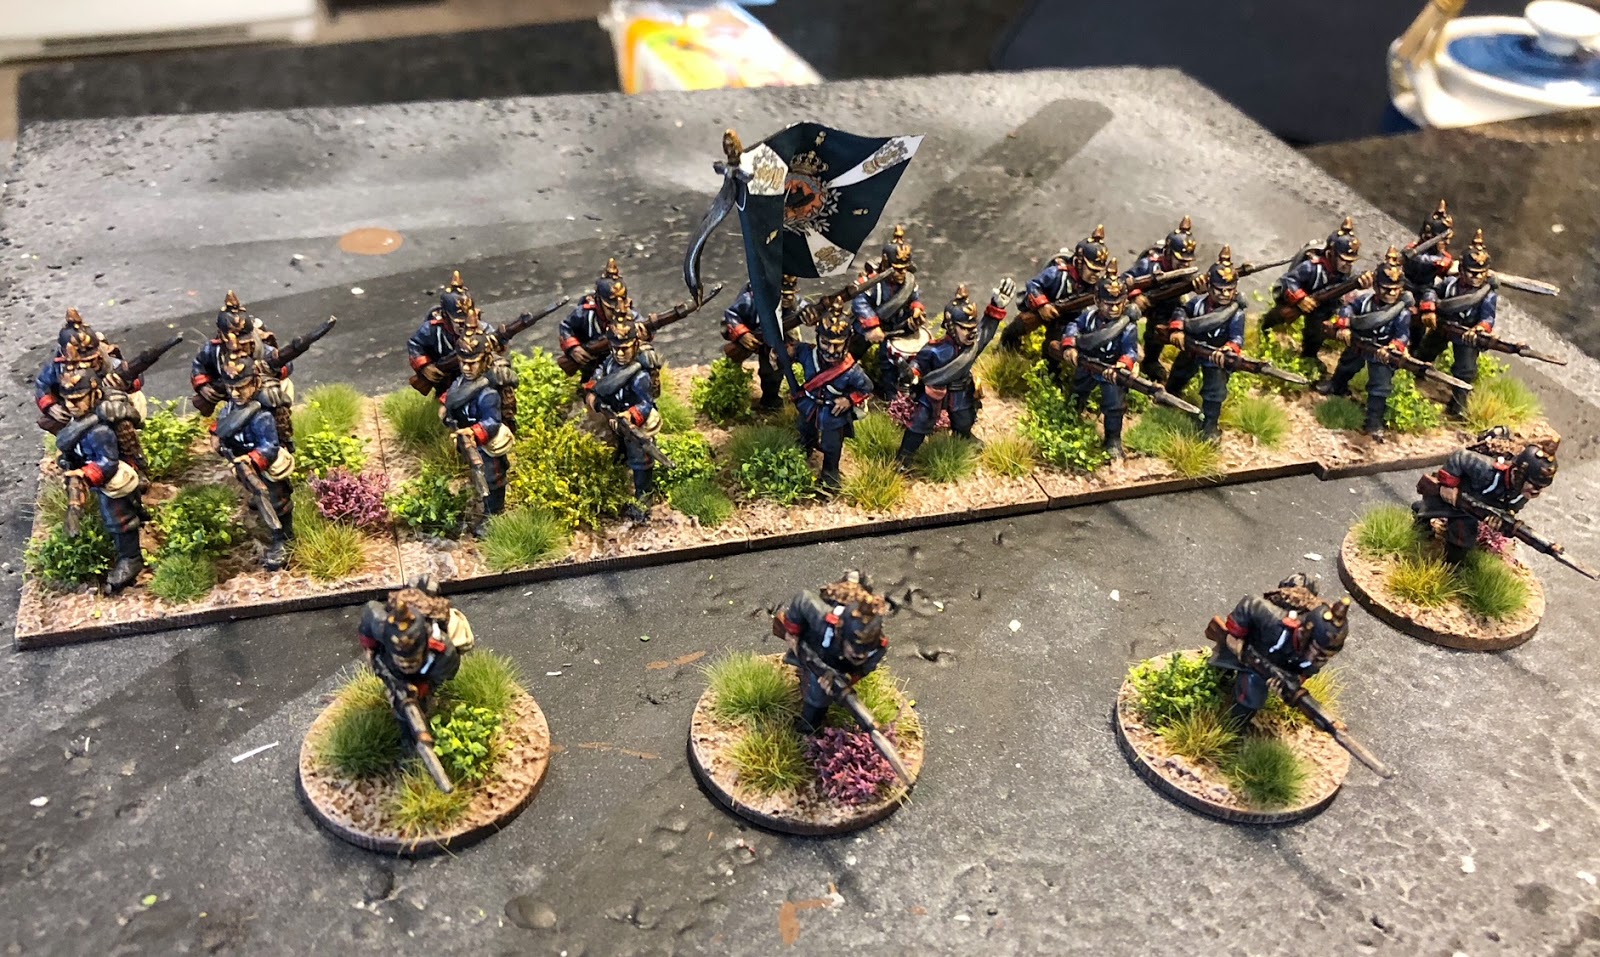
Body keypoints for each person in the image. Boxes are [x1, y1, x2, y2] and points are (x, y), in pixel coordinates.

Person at [1207, 574, 1350, 727]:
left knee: (1251, 697)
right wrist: (1237, 637)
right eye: (1316, 651)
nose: (1317, 659)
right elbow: (1250, 603)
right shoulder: (1273, 620)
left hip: (1270, 666)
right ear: (1304, 634)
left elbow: (1305, 671)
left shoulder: (1318, 655)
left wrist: (1289, 684)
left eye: (1325, 656)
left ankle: (1233, 725)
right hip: (1249, 643)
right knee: (1220, 666)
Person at [53, 368, 148, 592]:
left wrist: (85, 475)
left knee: (117, 515)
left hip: (110, 475)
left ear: (94, 394)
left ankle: (131, 558)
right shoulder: (77, 421)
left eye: (78, 399)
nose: (71, 405)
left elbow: (108, 462)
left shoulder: (100, 431)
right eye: (68, 400)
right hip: (87, 469)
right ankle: (138, 511)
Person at [895, 282, 1011, 465]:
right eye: (965, 328)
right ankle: (904, 457)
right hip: (934, 394)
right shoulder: (934, 350)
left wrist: (997, 306)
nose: (971, 332)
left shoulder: (972, 346)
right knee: (919, 425)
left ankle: (963, 437)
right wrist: (912, 374)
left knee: (964, 420)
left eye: (972, 327)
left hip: (961, 393)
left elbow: (986, 330)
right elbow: (918, 364)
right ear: (951, 326)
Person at [1314, 247, 1418, 441]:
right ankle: (1336, 387)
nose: (1390, 293)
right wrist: (1344, 325)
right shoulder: (1364, 302)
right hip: (1358, 344)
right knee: (1346, 366)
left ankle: (1374, 422)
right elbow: (1347, 309)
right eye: (1386, 288)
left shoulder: (1401, 313)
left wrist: (1393, 347)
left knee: (1380, 387)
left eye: (1395, 289)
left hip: (1382, 352)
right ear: (1376, 286)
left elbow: (1403, 335)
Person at [1412, 428, 1557, 564]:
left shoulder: (1521, 495)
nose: (1536, 491)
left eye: (1541, 487)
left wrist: (1498, 520)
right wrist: (1448, 485)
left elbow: (1509, 509)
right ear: (1516, 474)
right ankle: (1420, 519)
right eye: (1534, 485)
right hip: (1455, 491)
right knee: (1429, 508)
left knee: (1462, 538)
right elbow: (1460, 457)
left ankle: (1451, 566)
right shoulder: (1487, 469)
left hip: (1470, 508)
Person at [211, 341, 296, 570]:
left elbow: (270, 446)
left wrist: (251, 459)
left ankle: (283, 539)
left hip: (263, 465)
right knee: (256, 496)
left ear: (255, 383)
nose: (235, 393)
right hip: (241, 461)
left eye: (241, 387)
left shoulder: (261, 416)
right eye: (231, 388)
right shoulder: (230, 407)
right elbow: (223, 423)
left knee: (276, 502)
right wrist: (215, 436)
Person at [773, 571, 890, 734]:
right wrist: (792, 634)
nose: (860, 655)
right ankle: (807, 728)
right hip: (815, 644)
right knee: (815, 691)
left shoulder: (878, 648)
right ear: (840, 632)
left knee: (819, 696)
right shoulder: (823, 619)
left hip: (834, 666)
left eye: (866, 649)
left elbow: (864, 669)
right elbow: (802, 598)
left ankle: (809, 728)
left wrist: (845, 680)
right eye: (854, 647)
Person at [1055, 263, 1141, 458]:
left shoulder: (1128, 327)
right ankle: (1069, 420)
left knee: (1114, 406)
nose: (1114, 308)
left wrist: (1121, 365)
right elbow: (1073, 326)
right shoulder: (1089, 317)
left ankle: (1113, 440)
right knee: (1077, 392)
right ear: (1097, 301)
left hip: (1110, 370)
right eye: (1109, 303)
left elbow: (1130, 351)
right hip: (1087, 364)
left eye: (1118, 303)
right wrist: (1069, 345)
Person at [1263, 217, 1372, 372]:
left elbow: (1347, 295)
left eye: (1351, 260)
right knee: (1282, 315)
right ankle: (1264, 331)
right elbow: (1288, 281)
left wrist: (1363, 283)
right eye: (1344, 259)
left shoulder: (1348, 275)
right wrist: (1300, 298)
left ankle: (1309, 355)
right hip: (1301, 300)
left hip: (1324, 307)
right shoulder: (1311, 267)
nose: (1348, 264)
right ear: (1330, 254)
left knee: (1317, 331)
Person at [584, 314, 662, 522]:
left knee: (640, 459)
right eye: (615, 348)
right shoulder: (609, 365)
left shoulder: (640, 376)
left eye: (624, 348)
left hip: (633, 423)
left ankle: (643, 500)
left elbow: (646, 404)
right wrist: (593, 398)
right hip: (610, 418)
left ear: (635, 344)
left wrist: (629, 415)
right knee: (609, 455)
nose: (619, 353)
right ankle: (611, 493)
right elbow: (595, 383)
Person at [1163, 247, 1246, 440]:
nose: (1224, 294)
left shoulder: (1236, 314)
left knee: (1214, 391)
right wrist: (1177, 329)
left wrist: (1228, 349)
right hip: (1192, 348)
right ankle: (1170, 397)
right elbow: (1182, 311)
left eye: (1229, 290)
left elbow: (1237, 338)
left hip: (1215, 356)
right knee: (1179, 373)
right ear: (1209, 286)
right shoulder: (1198, 304)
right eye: (1220, 289)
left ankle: (1210, 426)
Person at [791, 302, 873, 493]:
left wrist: (849, 400)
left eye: (837, 345)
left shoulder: (852, 370)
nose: (830, 350)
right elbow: (790, 350)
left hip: (833, 412)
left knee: (832, 445)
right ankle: (803, 452)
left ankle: (830, 475)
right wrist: (776, 353)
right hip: (810, 406)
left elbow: (866, 388)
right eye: (826, 343)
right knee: (805, 430)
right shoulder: (808, 354)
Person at [441, 330, 517, 535]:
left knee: (492, 479)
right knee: (477, 478)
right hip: (466, 439)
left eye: (472, 363)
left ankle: (494, 516)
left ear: (484, 361)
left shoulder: (488, 394)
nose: (466, 368)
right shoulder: (461, 382)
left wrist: (473, 433)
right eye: (463, 362)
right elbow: (454, 395)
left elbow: (492, 422)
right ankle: (483, 507)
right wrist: (445, 407)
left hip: (486, 445)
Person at [1000, 224, 1113, 362]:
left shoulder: (1096, 286)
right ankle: (1006, 347)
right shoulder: (1057, 274)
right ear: (1079, 262)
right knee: (1022, 324)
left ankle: (1048, 368)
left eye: (1099, 270)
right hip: (1043, 308)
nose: (1096, 274)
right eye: (1092, 269)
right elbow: (1033, 284)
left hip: (1067, 318)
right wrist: (1043, 305)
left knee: (1054, 347)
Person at [1416, 229, 1497, 419]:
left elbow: (1487, 319)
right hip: (1442, 326)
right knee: (1425, 351)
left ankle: (1458, 406)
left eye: (1480, 273)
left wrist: (1479, 329)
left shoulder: (1487, 295)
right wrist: (1429, 308)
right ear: (1462, 270)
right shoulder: (1450, 284)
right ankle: (1413, 378)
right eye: (1472, 272)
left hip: (1466, 334)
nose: (1476, 277)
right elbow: (1431, 291)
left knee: (1465, 370)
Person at [851, 225, 925, 398]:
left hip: (897, 328)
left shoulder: (909, 282)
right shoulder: (872, 282)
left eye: (904, 268)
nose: (901, 273)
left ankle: (892, 394)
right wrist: (872, 326)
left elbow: (915, 297)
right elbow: (860, 301)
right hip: (870, 328)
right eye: (897, 268)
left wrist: (916, 309)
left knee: (890, 362)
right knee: (851, 354)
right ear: (886, 263)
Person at [1123, 215, 1199, 382]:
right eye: (1180, 260)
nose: (1185, 265)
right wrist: (1136, 295)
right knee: (1128, 315)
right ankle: (1128, 350)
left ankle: (1151, 362)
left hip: (1166, 304)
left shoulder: (1186, 273)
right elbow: (1123, 282)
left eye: (1188, 261)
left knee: (1160, 330)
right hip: (1141, 303)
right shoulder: (1148, 265)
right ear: (1168, 254)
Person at [722, 275, 807, 410]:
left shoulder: (795, 302)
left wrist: (813, 315)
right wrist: (743, 334)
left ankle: (771, 401)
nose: (789, 298)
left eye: (791, 294)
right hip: (755, 335)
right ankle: (732, 395)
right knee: (735, 367)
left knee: (773, 371)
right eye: (783, 295)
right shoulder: (750, 300)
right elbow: (731, 316)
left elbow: (806, 309)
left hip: (778, 339)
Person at [406, 270, 480, 396]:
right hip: (445, 374)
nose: (463, 325)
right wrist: (425, 366)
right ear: (445, 316)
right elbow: (415, 345)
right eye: (459, 322)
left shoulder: (479, 327)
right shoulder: (432, 329)